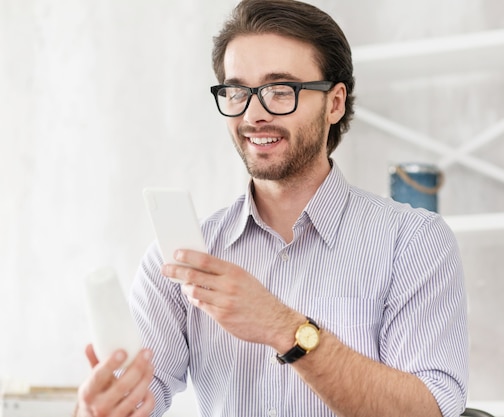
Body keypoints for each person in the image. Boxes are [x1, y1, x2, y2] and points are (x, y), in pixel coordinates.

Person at [75, 0, 469, 416]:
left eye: (280, 90)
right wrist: (99, 410)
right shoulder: (182, 258)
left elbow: (429, 410)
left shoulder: (413, 242)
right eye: (237, 91)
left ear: (334, 103)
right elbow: (138, 398)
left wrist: (284, 328)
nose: (254, 114)